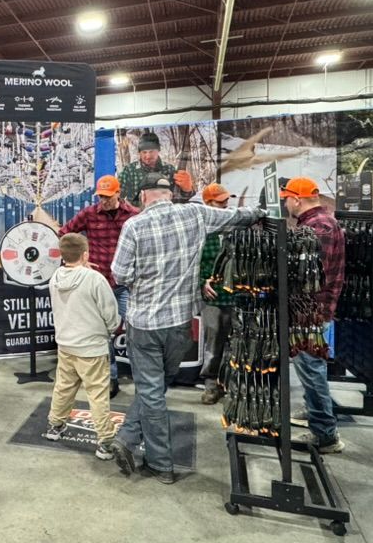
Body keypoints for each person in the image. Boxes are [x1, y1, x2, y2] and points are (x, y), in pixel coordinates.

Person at [110, 174, 263, 484]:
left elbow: (120, 274)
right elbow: (235, 217)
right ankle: (125, 437)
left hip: (145, 324)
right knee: (156, 387)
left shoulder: (134, 226)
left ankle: (160, 464)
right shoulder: (194, 213)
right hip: (180, 325)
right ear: (169, 194)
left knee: (151, 392)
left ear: (143, 196)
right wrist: (261, 212)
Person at [282, 177, 347, 454]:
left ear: (297, 198)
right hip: (311, 310)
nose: (285, 204)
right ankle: (316, 413)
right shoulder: (319, 222)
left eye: (287, 198)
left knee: (311, 369)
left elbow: (305, 274)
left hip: (311, 313)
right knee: (311, 368)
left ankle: (325, 434)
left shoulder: (318, 227)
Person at [59, 174, 139, 398]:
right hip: (98, 283)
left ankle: (142, 377)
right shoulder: (89, 214)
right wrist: (80, 260)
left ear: (117, 193)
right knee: (103, 334)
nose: (103, 200)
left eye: (107, 196)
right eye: (100, 196)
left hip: (125, 284)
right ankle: (111, 378)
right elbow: (65, 233)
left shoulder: (133, 216)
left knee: (134, 329)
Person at [45, 233, 120, 461]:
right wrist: (110, 330)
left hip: (66, 345)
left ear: (62, 254)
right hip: (92, 348)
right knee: (97, 394)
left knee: (64, 387)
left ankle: (55, 427)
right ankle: (105, 441)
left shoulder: (55, 277)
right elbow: (111, 315)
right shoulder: (95, 279)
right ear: (85, 253)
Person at [197, 183, 237, 405]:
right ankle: (211, 386)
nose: (225, 204)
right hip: (212, 297)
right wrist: (202, 282)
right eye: (219, 201)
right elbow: (191, 264)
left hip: (235, 295)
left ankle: (230, 384)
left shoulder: (235, 226)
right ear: (207, 203)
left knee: (235, 342)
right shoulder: (200, 230)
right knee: (213, 343)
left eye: (225, 200)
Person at [118, 131, 178, 208]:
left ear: (158, 150)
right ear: (139, 153)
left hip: (164, 213)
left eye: (151, 152)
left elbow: (179, 198)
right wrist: (131, 210)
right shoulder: (129, 170)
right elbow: (117, 196)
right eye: (144, 152)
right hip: (138, 215)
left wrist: (187, 190)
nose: (148, 156)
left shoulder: (170, 169)